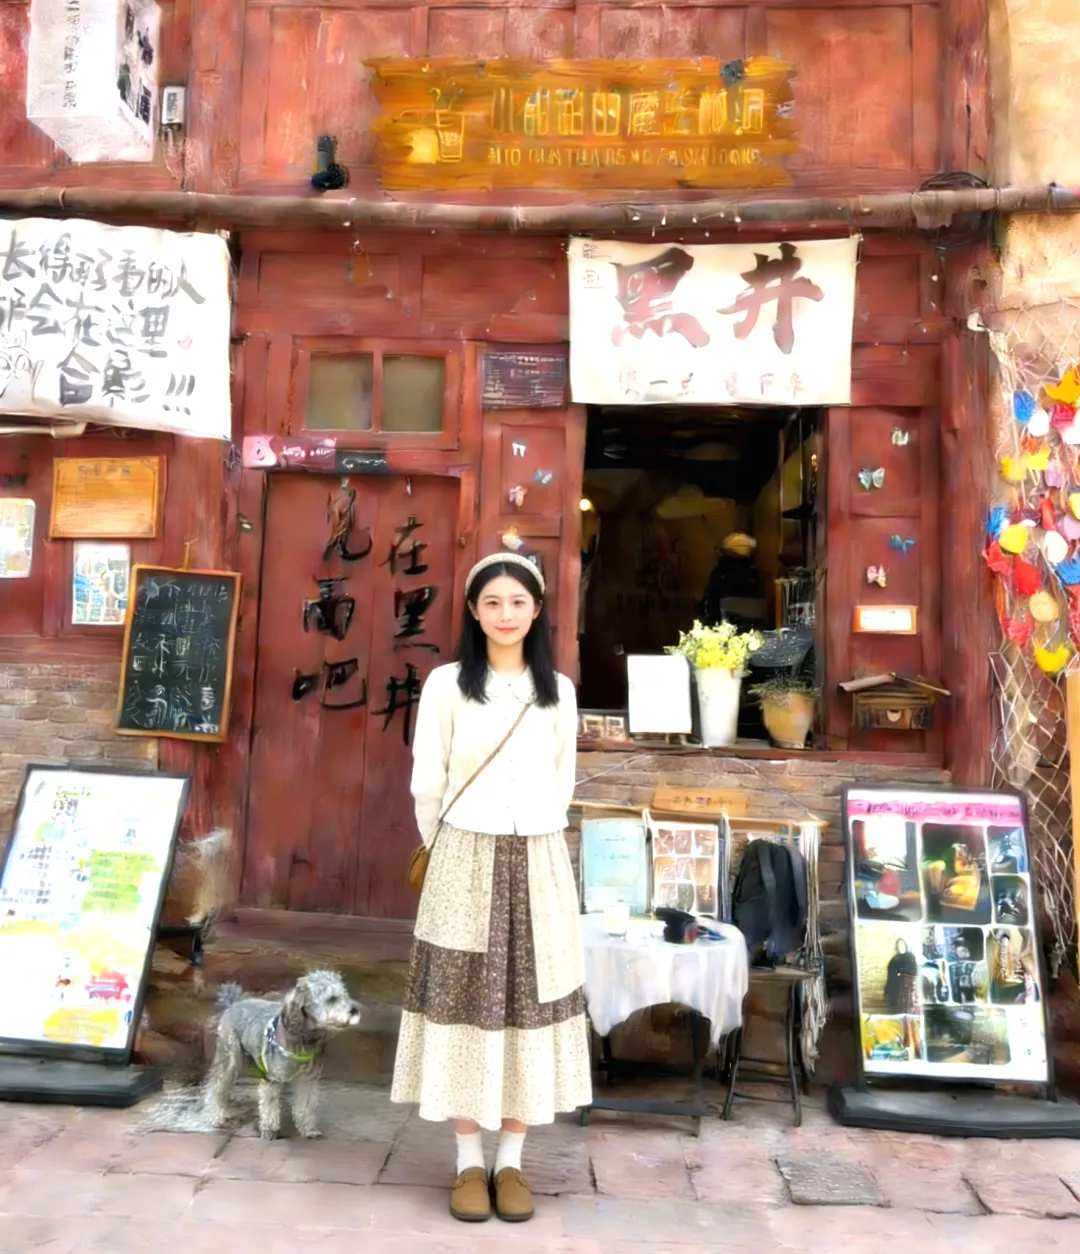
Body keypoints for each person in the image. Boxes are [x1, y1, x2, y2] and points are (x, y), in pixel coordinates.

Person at [390, 552, 591, 1225]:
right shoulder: (447, 685)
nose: (506, 614)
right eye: (493, 603)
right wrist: (449, 847)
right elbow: (428, 780)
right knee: (462, 1002)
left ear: (537, 610)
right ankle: (467, 1162)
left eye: (518, 602)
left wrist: (532, 830)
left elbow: (562, 780)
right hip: (463, 857)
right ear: (475, 613)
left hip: (538, 858)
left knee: (529, 1004)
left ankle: (512, 1161)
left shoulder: (558, 691)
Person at [700, 532, 767, 632]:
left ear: (727, 552)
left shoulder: (720, 574)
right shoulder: (756, 576)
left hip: (722, 631)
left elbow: (708, 605)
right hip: (752, 632)